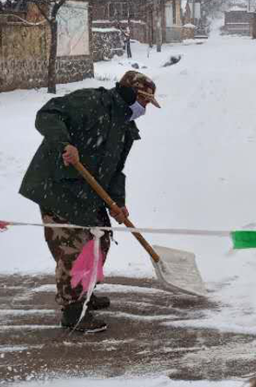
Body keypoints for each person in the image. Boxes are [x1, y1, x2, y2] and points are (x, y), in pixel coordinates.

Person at [20, 70, 160, 334]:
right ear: (132, 94)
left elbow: (115, 170)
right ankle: (73, 312)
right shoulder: (90, 102)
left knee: (101, 241)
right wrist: (65, 144)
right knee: (75, 249)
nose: (145, 110)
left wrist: (117, 202)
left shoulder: (124, 126)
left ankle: (85, 291)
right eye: (144, 103)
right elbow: (47, 114)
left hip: (87, 192)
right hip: (57, 185)